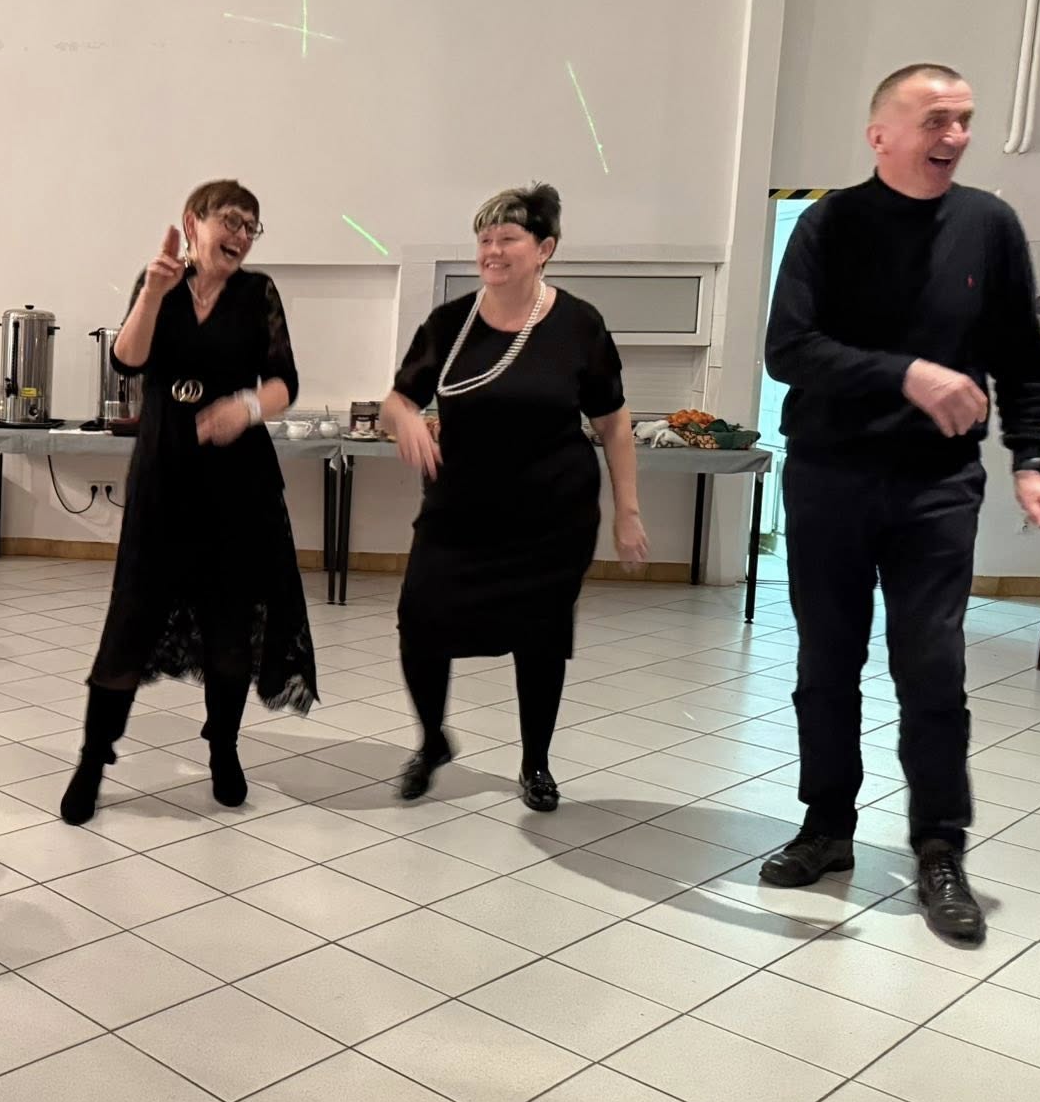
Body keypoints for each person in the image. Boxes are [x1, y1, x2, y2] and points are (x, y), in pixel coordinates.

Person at [760, 63, 1040, 945]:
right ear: (880, 134)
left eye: (964, 120)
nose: (955, 136)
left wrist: (1030, 459)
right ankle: (826, 826)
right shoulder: (828, 225)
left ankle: (939, 847)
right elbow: (788, 349)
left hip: (937, 485)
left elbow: (1022, 354)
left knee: (931, 667)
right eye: (936, 120)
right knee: (827, 662)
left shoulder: (989, 226)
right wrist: (908, 374)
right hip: (829, 476)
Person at [381, 184, 646, 812]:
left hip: (551, 515)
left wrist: (628, 512)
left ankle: (536, 763)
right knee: (421, 618)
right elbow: (396, 400)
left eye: (508, 238)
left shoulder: (578, 325)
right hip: (459, 512)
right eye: (485, 239)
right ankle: (431, 741)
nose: (492, 251)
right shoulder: (449, 324)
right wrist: (406, 420)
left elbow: (613, 423)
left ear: (544, 249)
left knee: (541, 636)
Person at [60, 180, 316, 827]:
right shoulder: (159, 283)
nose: (242, 235)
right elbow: (128, 361)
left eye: (252, 226)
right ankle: (92, 761)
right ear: (193, 222)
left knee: (230, 632)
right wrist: (152, 291)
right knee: (128, 627)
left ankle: (223, 749)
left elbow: (284, 381)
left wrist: (246, 408)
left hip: (238, 488)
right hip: (164, 481)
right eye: (232, 220)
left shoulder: (258, 294)